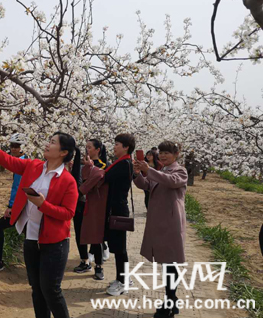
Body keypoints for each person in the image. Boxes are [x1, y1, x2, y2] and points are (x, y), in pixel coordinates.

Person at [0, 129, 80, 318]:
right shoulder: (34, 166)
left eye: (53, 142)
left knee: (51, 291)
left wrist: (43, 205)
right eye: (49, 140)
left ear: (64, 152)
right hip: (31, 239)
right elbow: (8, 161)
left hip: (55, 243)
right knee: (37, 289)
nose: (47, 144)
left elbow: (68, 213)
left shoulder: (68, 181)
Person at [133, 141, 187, 318]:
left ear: (176, 154)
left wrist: (149, 170)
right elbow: (146, 185)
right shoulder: (161, 171)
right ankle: (172, 300)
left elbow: (171, 182)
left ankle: (169, 303)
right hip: (159, 222)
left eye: (167, 153)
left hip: (171, 223)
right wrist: (137, 174)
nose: (162, 156)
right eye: (161, 153)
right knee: (167, 263)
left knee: (170, 263)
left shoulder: (180, 171)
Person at [84, 134, 135, 296]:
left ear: (126, 147)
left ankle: (123, 281)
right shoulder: (121, 163)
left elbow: (104, 176)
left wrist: (91, 167)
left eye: (117, 144)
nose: (114, 147)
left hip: (118, 211)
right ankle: (123, 277)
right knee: (117, 247)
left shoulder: (124, 164)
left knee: (120, 249)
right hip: (114, 210)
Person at [0, 133, 28, 273]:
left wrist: (11, 207)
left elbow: (17, 187)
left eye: (17, 146)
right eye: (11, 146)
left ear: (23, 147)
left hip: (22, 207)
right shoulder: (25, 160)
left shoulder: (21, 163)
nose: (13, 148)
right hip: (28, 206)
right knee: (28, 234)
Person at [73, 138, 109, 280]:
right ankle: (84, 261)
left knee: (95, 235)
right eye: (86, 147)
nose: (87, 150)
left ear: (98, 150)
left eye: (90, 147)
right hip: (80, 203)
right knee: (79, 232)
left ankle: (99, 266)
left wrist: (90, 168)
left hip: (94, 205)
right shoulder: (82, 165)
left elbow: (95, 180)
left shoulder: (104, 165)